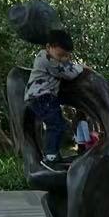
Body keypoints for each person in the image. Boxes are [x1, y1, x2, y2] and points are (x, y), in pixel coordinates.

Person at [25, 28, 85, 166]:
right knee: (56, 125)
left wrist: (66, 61)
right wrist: (81, 67)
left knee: (60, 125)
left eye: (67, 56)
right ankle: (50, 156)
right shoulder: (47, 60)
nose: (64, 59)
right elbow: (68, 74)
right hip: (41, 97)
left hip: (43, 98)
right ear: (48, 47)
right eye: (61, 55)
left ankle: (54, 154)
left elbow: (64, 65)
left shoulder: (51, 57)